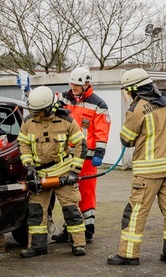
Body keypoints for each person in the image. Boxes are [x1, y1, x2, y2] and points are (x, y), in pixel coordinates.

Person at [107, 68, 166, 266]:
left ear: (133, 89)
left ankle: (128, 254)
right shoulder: (165, 103)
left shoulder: (137, 109)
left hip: (148, 172)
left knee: (135, 212)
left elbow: (127, 140)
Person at [18, 86, 87, 258]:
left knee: (71, 209)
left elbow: (81, 145)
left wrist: (74, 171)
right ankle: (37, 246)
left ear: (49, 108)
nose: (36, 115)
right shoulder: (28, 122)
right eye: (34, 111)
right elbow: (24, 145)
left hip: (63, 171)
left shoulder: (66, 120)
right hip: (40, 174)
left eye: (39, 112)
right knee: (36, 212)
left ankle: (78, 244)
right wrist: (29, 166)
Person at [52, 67, 111, 244]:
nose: (73, 87)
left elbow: (102, 130)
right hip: (66, 156)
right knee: (68, 193)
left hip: (87, 157)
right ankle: (69, 229)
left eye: (77, 84)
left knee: (86, 193)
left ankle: (87, 230)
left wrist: (99, 153)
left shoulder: (98, 104)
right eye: (71, 83)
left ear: (86, 84)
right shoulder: (63, 98)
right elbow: (47, 102)